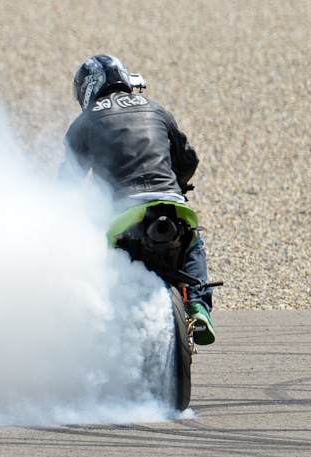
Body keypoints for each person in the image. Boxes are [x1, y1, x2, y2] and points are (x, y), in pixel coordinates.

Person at [59, 54, 215, 345]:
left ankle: (101, 328)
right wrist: (177, 186)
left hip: (124, 214)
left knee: (95, 259)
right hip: (169, 203)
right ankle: (198, 305)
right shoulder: (157, 110)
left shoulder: (83, 123)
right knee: (192, 243)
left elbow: (67, 184)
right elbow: (189, 159)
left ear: (87, 89)